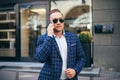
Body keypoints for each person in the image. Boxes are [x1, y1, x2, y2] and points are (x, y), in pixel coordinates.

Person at [35, 9, 86, 80]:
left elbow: (82, 58)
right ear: (50, 23)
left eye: (61, 20)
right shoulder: (43, 38)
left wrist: (75, 70)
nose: (58, 22)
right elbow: (40, 58)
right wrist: (49, 36)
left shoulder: (73, 37)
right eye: (55, 20)